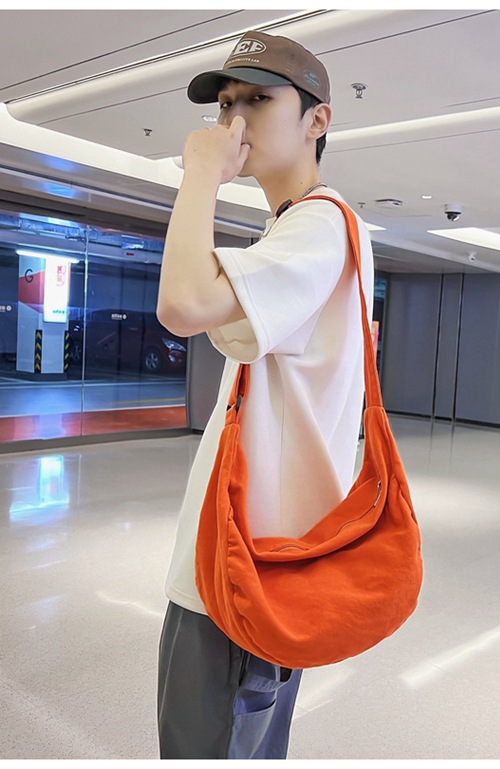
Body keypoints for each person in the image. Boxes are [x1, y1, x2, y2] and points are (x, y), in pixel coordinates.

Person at [155, 28, 374, 760]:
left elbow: (183, 304)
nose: (233, 121)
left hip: (244, 563)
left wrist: (200, 174)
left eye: (257, 100)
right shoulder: (296, 228)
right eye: (225, 105)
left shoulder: (319, 224)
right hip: (265, 557)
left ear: (318, 120)